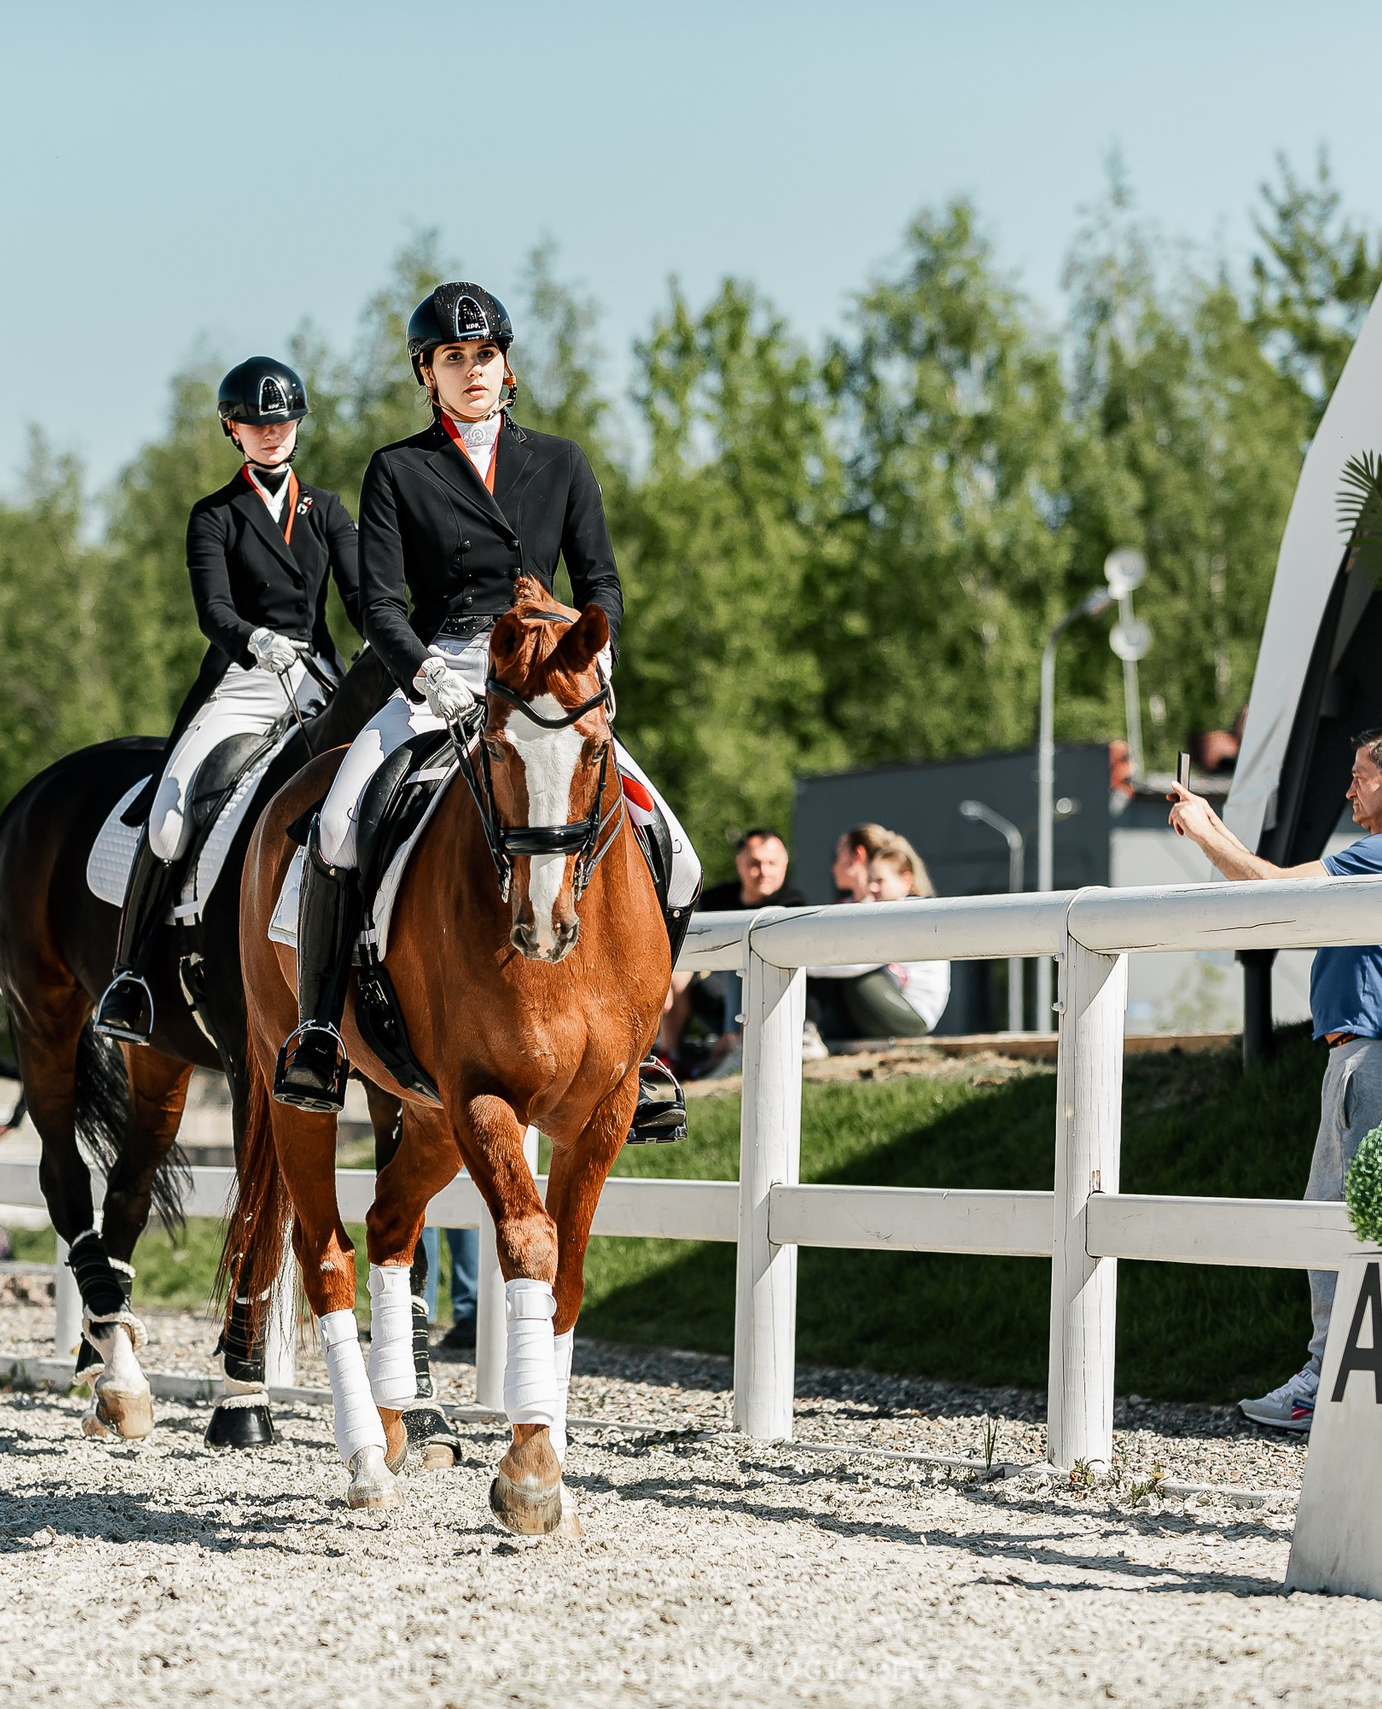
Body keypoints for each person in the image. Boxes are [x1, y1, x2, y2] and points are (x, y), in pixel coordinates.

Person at [269, 281, 702, 1143]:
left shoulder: (563, 462)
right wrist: (425, 675)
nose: (473, 371)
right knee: (340, 826)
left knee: (678, 855)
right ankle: (320, 1031)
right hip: (443, 668)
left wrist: (595, 648)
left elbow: (601, 579)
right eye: (453, 358)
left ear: (508, 367)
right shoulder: (399, 469)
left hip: (550, 676)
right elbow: (381, 605)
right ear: (427, 375)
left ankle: (641, 1053)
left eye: (486, 355)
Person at [1163, 728, 1382, 1434]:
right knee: (1351, 1222)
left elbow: (1272, 888)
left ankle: (1328, 1381)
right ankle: (1354, 1378)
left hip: (1373, 1062)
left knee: (1338, 1222)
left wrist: (1205, 835)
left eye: (1359, 776)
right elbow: (1267, 878)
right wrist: (1214, 825)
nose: (1349, 789)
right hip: (1366, 1060)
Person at [93, 356, 363, 1043]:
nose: (273, 433)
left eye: (283, 421)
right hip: (243, 680)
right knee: (167, 819)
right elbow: (212, 610)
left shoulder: (328, 510)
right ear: (233, 429)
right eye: (257, 423)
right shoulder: (215, 514)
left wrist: (383, 642)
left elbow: (362, 599)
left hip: (316, 677)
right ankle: (129, 975)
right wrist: (254, 639)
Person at [660, 828, 808, 1078]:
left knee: (741, 952)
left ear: (785, 864)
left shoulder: (794, 904)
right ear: (739, 864)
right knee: (678, 966)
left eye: (771, 863)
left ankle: (730, 1039)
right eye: (755, 863)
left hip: (769, 1007)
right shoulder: (715, 899)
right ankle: (668, 1055)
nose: (764, 872)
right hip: (712, 1002)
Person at [807, 826, 949, 1041]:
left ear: (906, 881)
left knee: (853, 978)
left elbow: (858, 961)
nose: (872, 888)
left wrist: (804, 965)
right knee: (839, 975)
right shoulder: (880, 908)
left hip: (913, 1013)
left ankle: (808, 1030)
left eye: (879, 881)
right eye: (870, 880)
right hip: (888, 1000)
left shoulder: (910, 911)